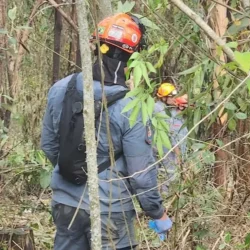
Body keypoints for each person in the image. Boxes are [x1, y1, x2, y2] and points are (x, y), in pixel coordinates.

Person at [41, 13, 172, 250]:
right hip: (111, 207)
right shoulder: (133, 107)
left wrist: (73, 171)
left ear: (95, 46)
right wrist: (157, 213)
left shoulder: (61, 88)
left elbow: (49, 145)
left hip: (65, 203)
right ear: (133, 57)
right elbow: (140, 175)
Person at [154, 82, 188, 195]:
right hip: (165, 150)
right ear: (163, 97)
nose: (174, 99)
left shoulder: (166, 109)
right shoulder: (160, 110)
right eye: (171, 97)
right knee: (167, 177)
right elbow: (171, 134)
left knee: (164, 177)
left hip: (165, 150)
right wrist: (178, 156)